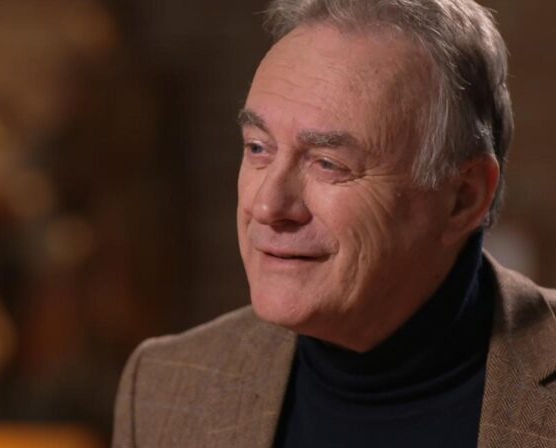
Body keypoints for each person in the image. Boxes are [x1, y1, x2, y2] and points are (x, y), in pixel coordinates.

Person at [112, 0, 556, 446]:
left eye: (328, 163)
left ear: (464, 197)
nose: (267, 206)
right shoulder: (163, 388)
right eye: (258, 149)